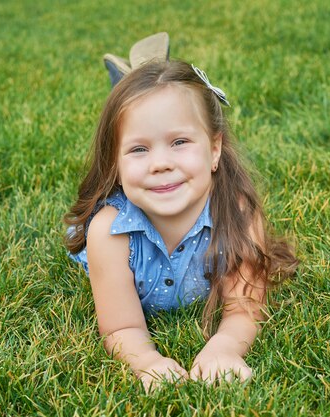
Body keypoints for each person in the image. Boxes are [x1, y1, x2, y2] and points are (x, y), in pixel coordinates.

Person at [64, 59, 299, 391]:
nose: (161, 163)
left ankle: (142, 70)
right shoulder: (110, 234)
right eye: (139, 149)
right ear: (115, 163)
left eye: (179, 142)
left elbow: (245, 307)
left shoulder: (237, 214)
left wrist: (225, 347)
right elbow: (121, 327)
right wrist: (146, 362)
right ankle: (133, 74)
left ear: (214, 149)